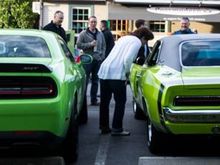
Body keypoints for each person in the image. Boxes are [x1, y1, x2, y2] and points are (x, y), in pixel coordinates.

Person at [98, 27, 154, 136]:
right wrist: (128, 73)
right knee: (120, 102)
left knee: (104, 102)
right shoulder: (136, 42)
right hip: (117, 74)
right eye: (146, 41)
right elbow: (128, 59)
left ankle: (104, 127)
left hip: (104, 71)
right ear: (142, 37)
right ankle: (117, 128)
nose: (145, 43)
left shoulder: (123, 38)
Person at [76, 16, 106, 106]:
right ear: (88, 23)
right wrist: (90, 44)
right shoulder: (83, 34)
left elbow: (104, 46)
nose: (93, 23)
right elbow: (78, 45)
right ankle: (83, 100)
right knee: (85, 80)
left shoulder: (100, 34)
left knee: (95, 81)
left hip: (97, 60)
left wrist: (102, 56)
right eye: (92, 22)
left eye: (95, 22)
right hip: (87, 60)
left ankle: (93, 100)